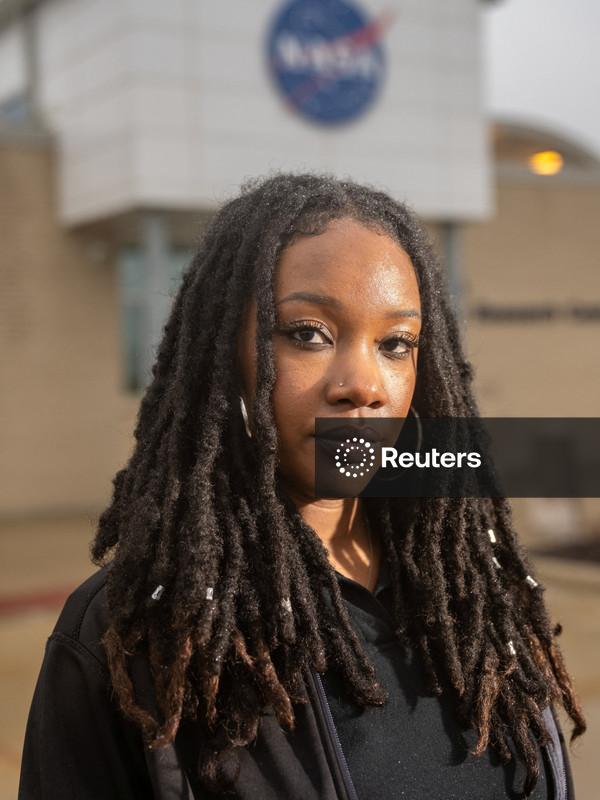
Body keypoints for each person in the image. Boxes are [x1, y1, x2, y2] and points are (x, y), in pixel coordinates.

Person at [19, 173, 586, 799]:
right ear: (226, 355)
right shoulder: (133, 635)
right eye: (308, 334)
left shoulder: (477, 596)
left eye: (396, 343)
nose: (362, 384)